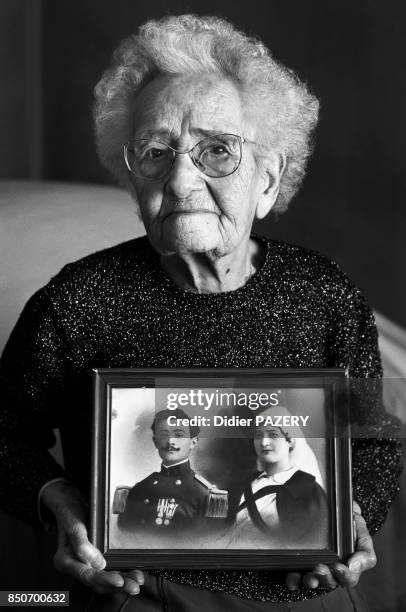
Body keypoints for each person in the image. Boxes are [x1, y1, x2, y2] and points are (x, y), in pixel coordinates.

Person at [0, 13, 401, 611]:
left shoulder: (327, 294)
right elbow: (5, 437)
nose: (182, 177)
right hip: (134, 591)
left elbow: (373, 438)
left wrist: (350, 519)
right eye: (157, 152)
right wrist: (59, 503)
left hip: (301, 590)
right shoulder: (76, 299)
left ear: (268, 179)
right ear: (132, 180)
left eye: (216, 151)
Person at [226, 407, 328, 549]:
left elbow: (311, 543)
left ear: (290, 441)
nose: (263, 442)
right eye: (258, 435)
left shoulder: (306, 488)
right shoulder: (246, 484)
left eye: (273, 435)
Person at [115, 408, 228, 534]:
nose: (170, 442)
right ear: (156, 441)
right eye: (164, 435)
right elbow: (124, 534)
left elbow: (210, 542)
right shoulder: (138, 489)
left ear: (193, 442)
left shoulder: (207, 496)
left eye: (179, 435)